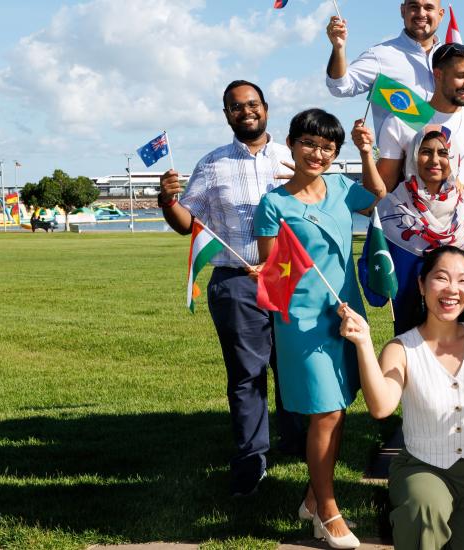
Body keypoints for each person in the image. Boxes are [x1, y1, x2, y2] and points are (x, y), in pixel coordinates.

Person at [156, 80, 305, 498]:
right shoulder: (211, 164)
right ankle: (251, 459)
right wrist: (168, 202)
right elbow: (188, 223)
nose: (246, 111)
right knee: (246, 376)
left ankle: (298, 443)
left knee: (294, 366)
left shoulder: (292, 158)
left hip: (290, 278)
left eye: (252, 104)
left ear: (266, 108)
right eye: (236, 107)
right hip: (236, 281)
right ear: (227, 115)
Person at [253, 109, 386, 549]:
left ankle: (312, 498)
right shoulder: (274, 204)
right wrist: (265, 273)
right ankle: (328, 512)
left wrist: (366, 152)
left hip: (345, 314)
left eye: (327, 147)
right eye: (309, 143)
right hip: (301, 321)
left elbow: (377, 194)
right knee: (325, 410)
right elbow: (273, 269)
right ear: (291, 144)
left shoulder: (342, 188)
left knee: (339, 407)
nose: (317, 153)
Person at [338, 246, 464, 550]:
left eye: (463, 280)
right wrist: (364, 343)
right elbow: (381, 407)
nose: (452, 289)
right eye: (441, 278)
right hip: (423, 467)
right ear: (421, 284)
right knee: (424, 512)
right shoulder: (401, 349)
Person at [362, 126, 464, 336]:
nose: (434, 160)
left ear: (454, 158)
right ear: (414, 156)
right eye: (426, 152)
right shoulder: (390, 211)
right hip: (411, 333)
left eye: (443, 153)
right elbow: (376, 280)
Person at [378, 43, 464, 198]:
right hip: (413, 212)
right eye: (461, 76)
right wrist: (365, 153)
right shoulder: (401, 120)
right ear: (438, 75)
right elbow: (383, 188)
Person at [325, 0, 446, 138]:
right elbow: (340, 87)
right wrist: (338, 48)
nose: (421, 13)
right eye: (414, 7)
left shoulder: (455, 59)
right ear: (403, 10)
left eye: (429, 8)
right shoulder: (380, 55)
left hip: (452, 150)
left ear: (440, 14)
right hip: (397, 152)